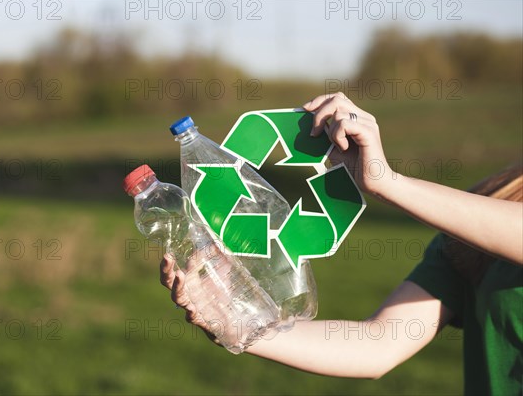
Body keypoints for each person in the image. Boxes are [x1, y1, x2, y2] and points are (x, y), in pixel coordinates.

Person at [158, 93, 523, 395]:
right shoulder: (492, 201)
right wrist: (240, 324)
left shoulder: (480, 217)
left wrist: (386, 182)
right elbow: (378, 344)